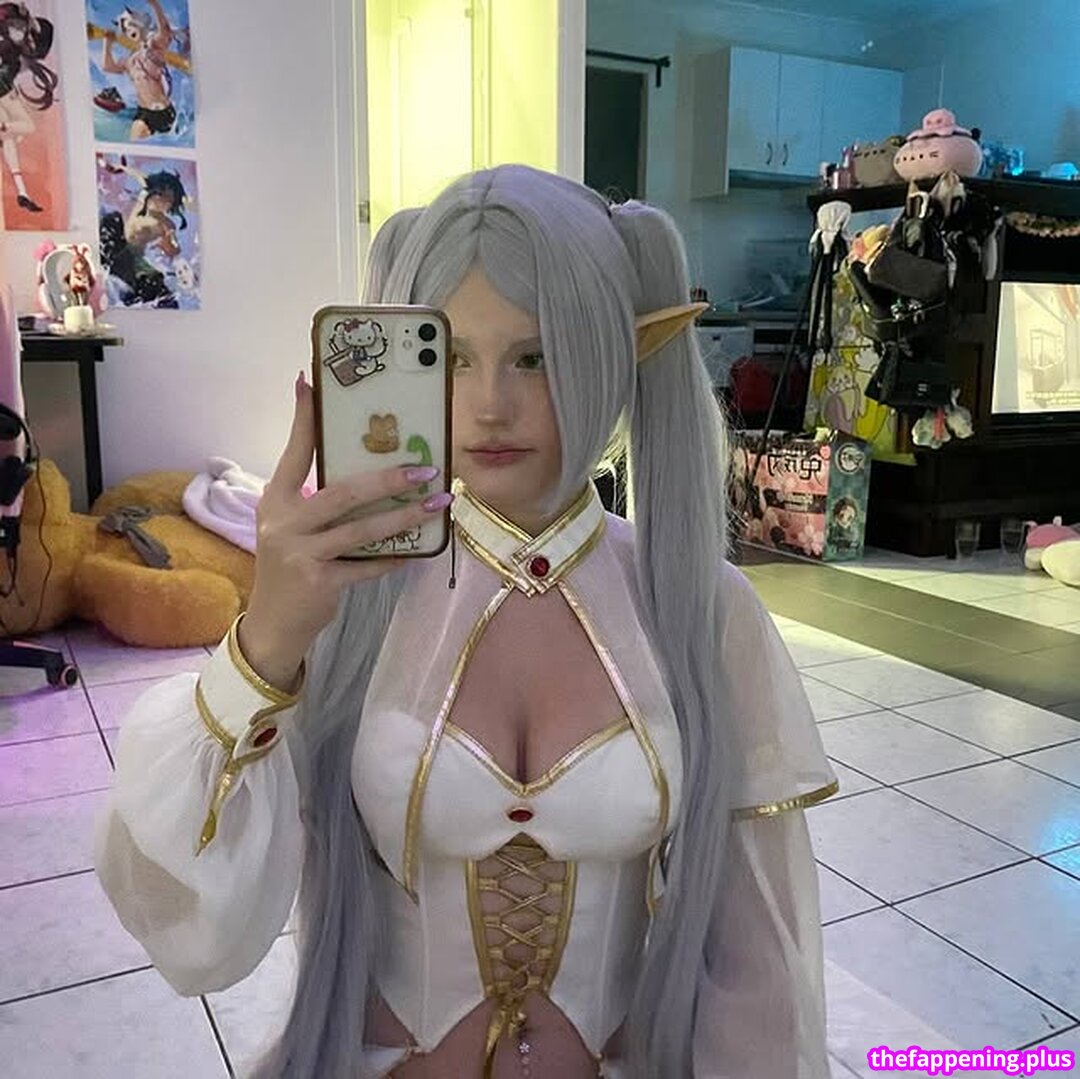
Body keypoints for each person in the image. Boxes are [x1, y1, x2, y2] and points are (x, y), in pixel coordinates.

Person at [95, 165, 837, 1078]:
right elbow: (180, 915)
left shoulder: (702, 606)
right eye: (447, 357)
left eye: (536, 356)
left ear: (615, 355)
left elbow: (759, 967)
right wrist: (267, 642)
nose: (489, 405)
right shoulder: (347, 596)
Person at [98, 159, 188, 307]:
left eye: (169, 201)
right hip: (118, 239)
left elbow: (174, 248)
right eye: (162, 196)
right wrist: (120, 167)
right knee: (111, 219)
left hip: (131, 257)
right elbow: (139, 176)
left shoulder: (163, 223)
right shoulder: (145, 197)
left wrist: (169, 245)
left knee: (154, 287)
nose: (164, 203)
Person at [0, 2, 57, 214]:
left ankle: (22, 192)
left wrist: (28, 20)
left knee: (10, 136)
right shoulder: (8, 45)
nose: (18, 30)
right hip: (4, 91)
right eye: (13, 26)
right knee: (24, 128)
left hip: (5, 91)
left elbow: (41, 34)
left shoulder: (19, 47)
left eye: (20, 26)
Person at [101, 1, 176, 140]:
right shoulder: (130, 61)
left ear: (140, 24)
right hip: (143, 113)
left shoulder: (154, 47)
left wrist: (155, 6)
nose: (128, 30)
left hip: (163, 113)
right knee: (135, 140)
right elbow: (108, 66)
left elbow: (165, 31)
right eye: (125, 29)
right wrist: (107, 44)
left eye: (130, 25)